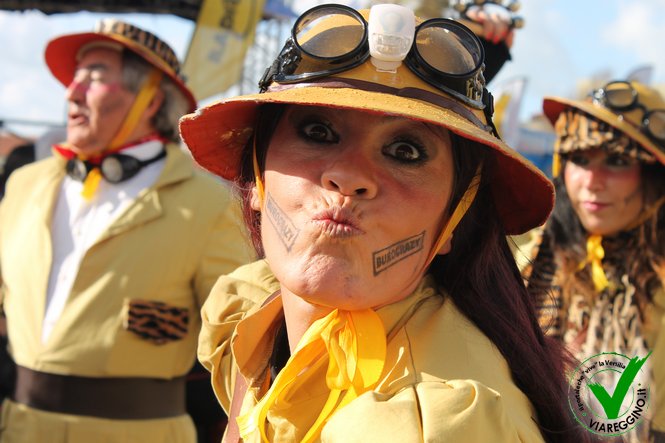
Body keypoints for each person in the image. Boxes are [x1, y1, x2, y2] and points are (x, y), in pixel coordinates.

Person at [180, 4, 590, 442]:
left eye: (405, 152)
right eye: (318, 132)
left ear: (454, 217)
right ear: (256, 178)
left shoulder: (430, 424)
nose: (348, 176)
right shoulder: (248, 313)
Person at [0, 19, 253, 443]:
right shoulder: (25, 183)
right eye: (75, 77)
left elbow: (244, 343)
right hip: (18, 430)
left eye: (95, 76)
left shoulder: (209, 204)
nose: (71, 92)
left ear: (151, 101)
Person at [522, 80, 665, 441]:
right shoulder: (530, 258)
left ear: (655, 175)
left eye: (617, 161)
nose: (591, 181)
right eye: (579, 159)